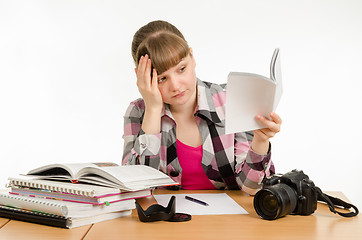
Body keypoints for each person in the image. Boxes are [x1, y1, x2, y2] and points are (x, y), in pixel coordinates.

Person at [122, 20, 282, 195]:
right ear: (141, 77)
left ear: (192, 56)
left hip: (228, 220)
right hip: (167, 221)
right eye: (162, 78)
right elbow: (136, 188)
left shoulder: (230, 101)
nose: (175, 85)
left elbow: (250, 187)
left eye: (181, 69)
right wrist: (153, 109)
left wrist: (260, 140)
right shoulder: (138, 112)